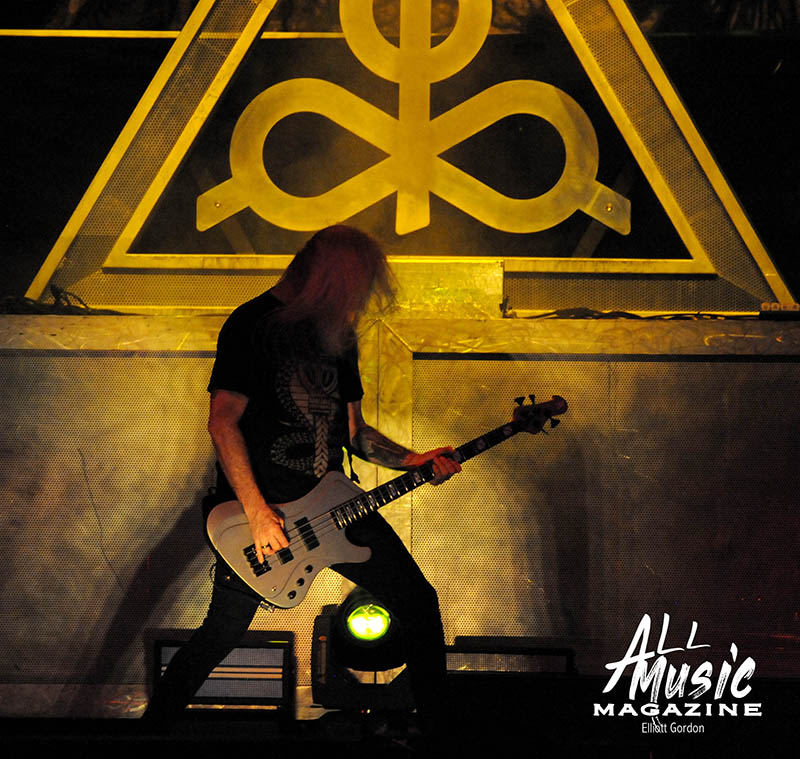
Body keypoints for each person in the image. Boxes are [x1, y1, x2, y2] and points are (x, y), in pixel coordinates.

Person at [143, 225, 460, 737]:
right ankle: (147, 736)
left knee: (418, 603)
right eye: (353, 286)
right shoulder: (252, 325)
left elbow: (355, 434)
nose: (356, 301)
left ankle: (441, 736)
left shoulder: (337, 337)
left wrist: (414, 460)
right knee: (221, 633)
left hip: (335, 506)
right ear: (328, 277)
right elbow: (223, 422)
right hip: (266, 515)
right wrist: (257, 513)